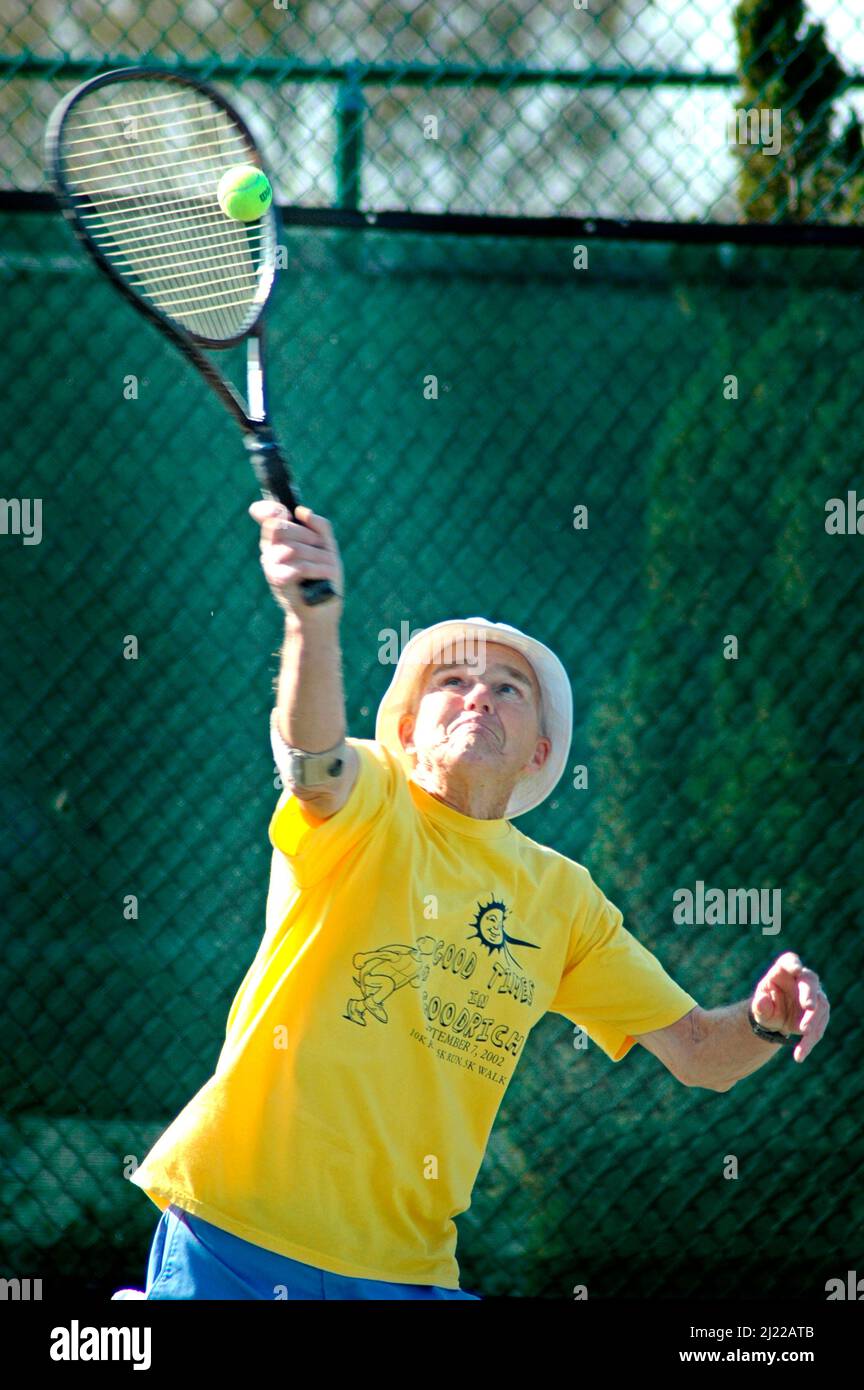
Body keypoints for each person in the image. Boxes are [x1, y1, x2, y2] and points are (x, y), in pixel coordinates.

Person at [124, 501, 830, 1301]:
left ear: (537, 750)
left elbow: (703, 1054)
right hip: (234, 1237)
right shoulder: (370, 798)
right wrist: (312, 620)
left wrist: (768, 1020)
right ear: (410, 731)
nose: (478, 697)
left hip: (407, 1273)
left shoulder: (564, 899)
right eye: (451, 682)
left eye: (507, 688)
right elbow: (312, 764)